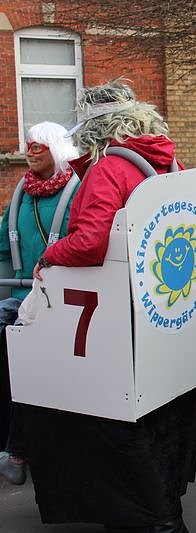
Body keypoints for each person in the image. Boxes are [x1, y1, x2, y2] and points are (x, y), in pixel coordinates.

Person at [31, 80, 192, 533]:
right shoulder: (164, 161)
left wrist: (51, 254)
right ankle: (163, 506)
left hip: (110, 314)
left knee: (111, 421)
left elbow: (91, 241)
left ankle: (150, 517)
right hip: (159, 312)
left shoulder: (106, 168)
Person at [0, 122, 79, 486]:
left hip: (57, 302)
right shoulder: (21, 196)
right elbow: (3, 246)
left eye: (39, 147)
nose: (30, 152)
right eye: (28, 146)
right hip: (19, 296)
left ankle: (17, 451)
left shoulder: (78, 192)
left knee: (21, 352)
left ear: (57, 150)